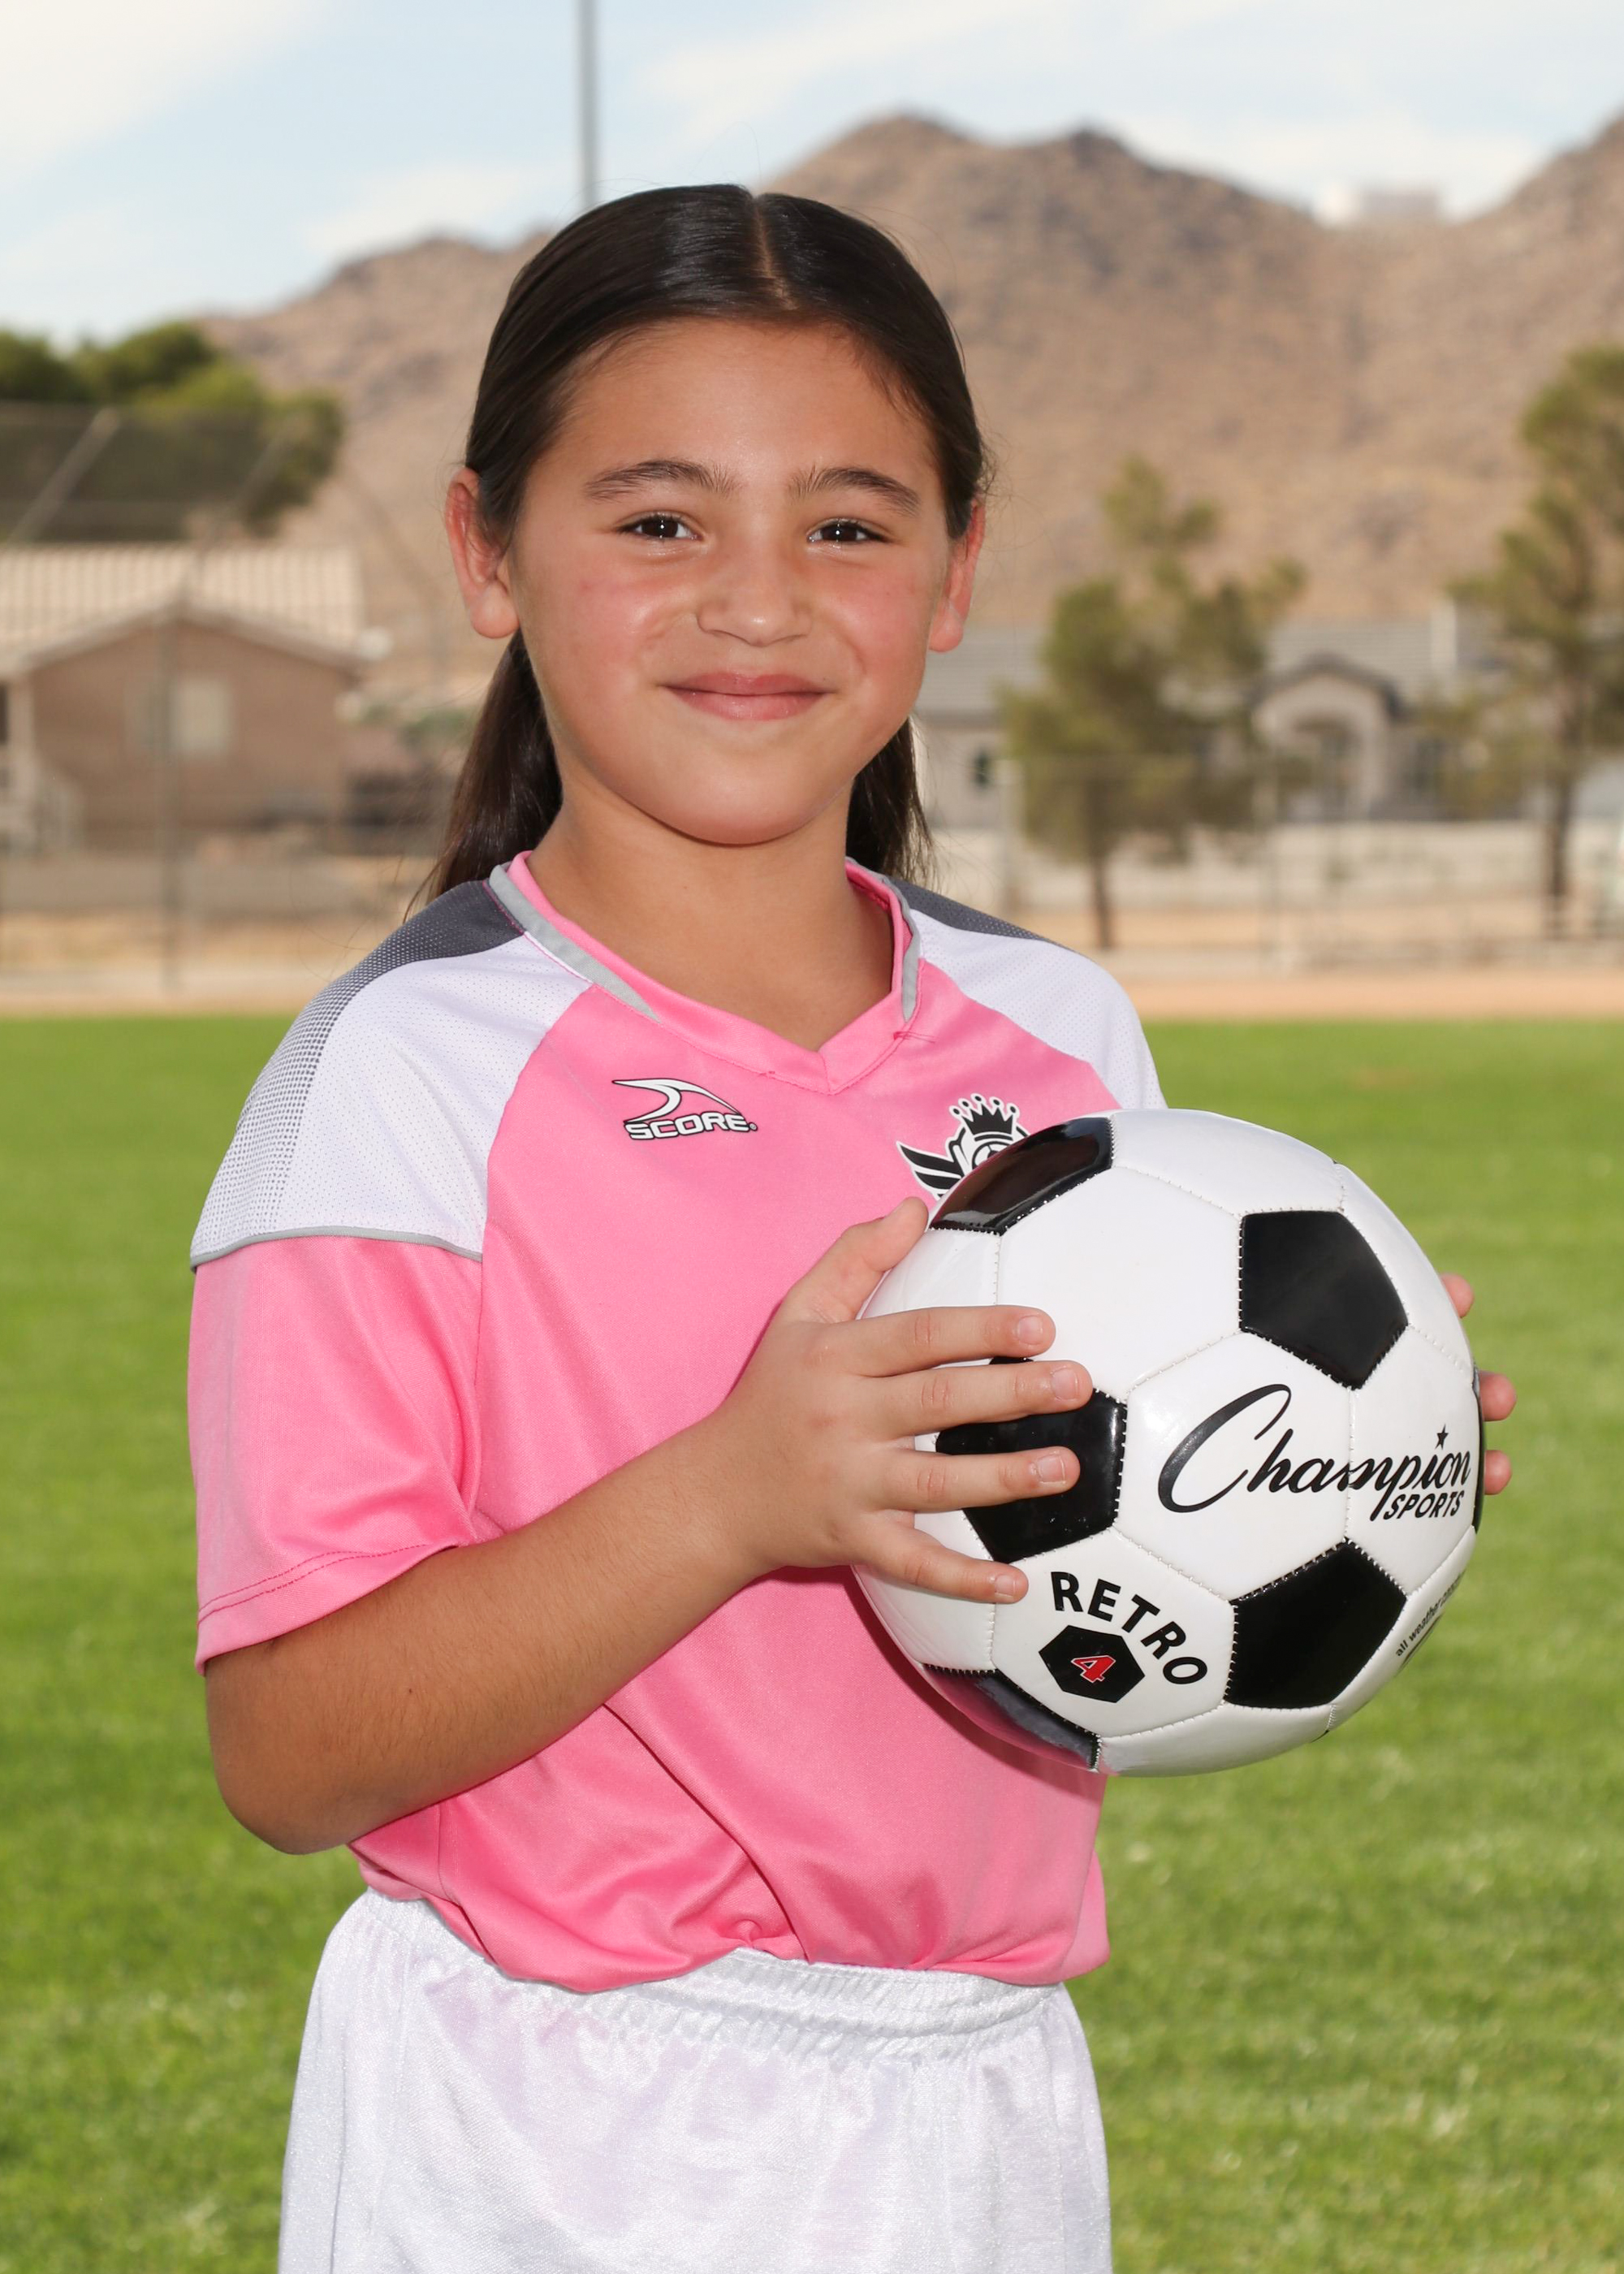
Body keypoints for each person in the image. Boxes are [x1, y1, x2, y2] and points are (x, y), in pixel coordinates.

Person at [189, 185, 1515, 2274]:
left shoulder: (1059, 1032)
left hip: (978, 2086)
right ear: (485, 550)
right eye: (659, 519)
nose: (757, 600)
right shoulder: (403, 1070)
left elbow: (1074, 1563)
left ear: (957, 566)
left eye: (846, 523)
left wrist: (1317, 1454)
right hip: (554, 2109)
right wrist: (733, 1494)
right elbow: (287, 1748)